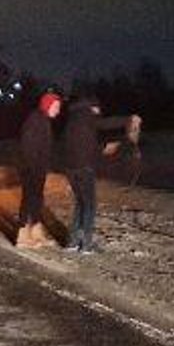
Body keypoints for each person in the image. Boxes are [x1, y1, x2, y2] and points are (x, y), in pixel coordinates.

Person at [61, 96, 140, 253]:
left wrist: (103, 147)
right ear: (93, 107)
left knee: (80, 203)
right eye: (98, 109)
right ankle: (86, 245)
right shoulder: (86, 116)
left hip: (70, 168)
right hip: (84, 168)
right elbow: (105, 123)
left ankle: (73, 242)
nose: (99, 113)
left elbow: (82, 144)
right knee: (89, 205)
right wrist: (128, 119)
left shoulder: (73, 119)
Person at [16, 92, 62, 248]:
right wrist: (33, 166)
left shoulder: (44, 121)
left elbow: (43, 147)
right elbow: (28, 145)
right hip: (31, 168)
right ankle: (22, 236)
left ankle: (36, 233)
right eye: (56, 106)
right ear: (47, 105)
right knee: (29, 199)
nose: (58, 110)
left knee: (37, 200)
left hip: (39, 167)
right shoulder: (35, 119)